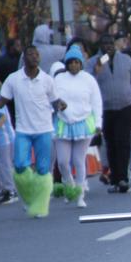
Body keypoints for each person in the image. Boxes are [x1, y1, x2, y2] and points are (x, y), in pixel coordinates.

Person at [0, 46, 67, 218]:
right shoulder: (14, 79)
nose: (34, 57)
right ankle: (28, 198)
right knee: (20, 166)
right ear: (24, 58)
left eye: (37, 54)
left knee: (43, 170)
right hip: (23, 130)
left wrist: (60, 105)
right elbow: (1, 102)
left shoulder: (46, 79)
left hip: (44, 130)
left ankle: (40, 204)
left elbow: (55, 100)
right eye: (30, 54)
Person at [87, 34, 131, 193]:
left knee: (123, 142)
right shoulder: (94, 62)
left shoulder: (126, 60)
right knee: (111, 144)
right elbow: (87, 82)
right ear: (100, 46)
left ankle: (123, 179)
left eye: (110, 43)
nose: (108, 46)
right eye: (105, 43)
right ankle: (115, 179)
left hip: (125, 107)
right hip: (105, 110)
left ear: (114, 44)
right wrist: (98, 66)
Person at [54, 46, 103, 208]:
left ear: (81, 63)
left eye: (77, 62)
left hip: (83, 123)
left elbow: (96, 102)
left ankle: (80, 194)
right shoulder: (59, 79)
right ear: (66, 64)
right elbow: (51, 99)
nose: (74, 65)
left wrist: (98, 123)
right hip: (63, 123)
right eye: (71, 62)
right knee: (62, 161)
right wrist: (56, 107)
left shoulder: (88, 79)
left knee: (78, 160)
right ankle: (70, 186)